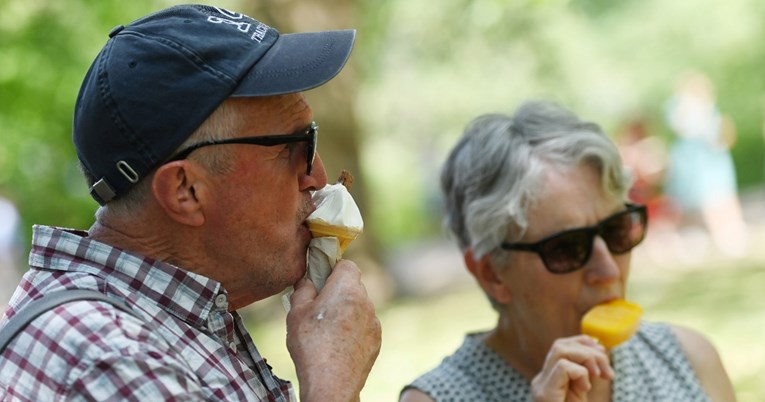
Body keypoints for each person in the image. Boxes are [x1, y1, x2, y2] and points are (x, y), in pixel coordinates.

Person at [0, 5, 380, 401]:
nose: (318, 176)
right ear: (185, 190)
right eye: (294, 147)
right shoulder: (110, 361)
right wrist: (332, 383)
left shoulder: (165, 317)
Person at [400, 101, 736, 401]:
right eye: (567, 248)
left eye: (617, 230)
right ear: (492, 274)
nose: (609, 271)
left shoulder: (690, 359)